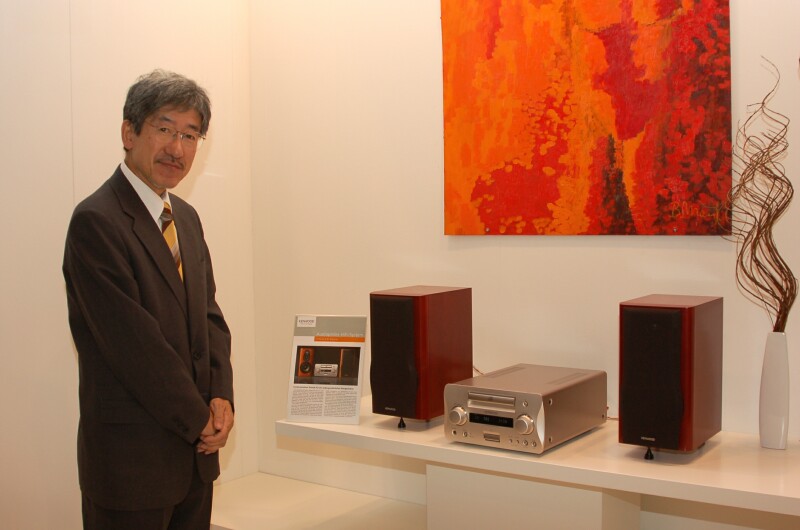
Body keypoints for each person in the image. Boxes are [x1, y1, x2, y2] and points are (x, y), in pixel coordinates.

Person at [63, 69, 234, 529]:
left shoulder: (186, 218)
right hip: (131, 466)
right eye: (164, 128)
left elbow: (210, 318)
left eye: (190, 135)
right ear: (129, 132)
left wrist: (221, 395)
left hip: (195, 462)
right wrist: (199, 419)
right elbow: (135, 347)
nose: (177, 148)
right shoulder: (96, 222)